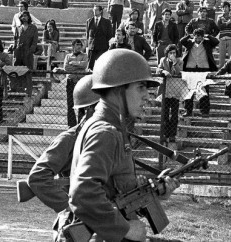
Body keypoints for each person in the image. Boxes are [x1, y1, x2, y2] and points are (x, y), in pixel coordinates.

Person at [67, 49, 179, 241]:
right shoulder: (105, 133)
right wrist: (124, 229)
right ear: (118, 90)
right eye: (140, 87)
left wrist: (155, 193)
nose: (146, 96)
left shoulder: (112, 129)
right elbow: (82, 193)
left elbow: (113, 193)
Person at [27, 74, 100, 216]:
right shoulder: (69, 139)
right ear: (89, 109)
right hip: (79, 221)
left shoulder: (108, 138)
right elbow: (37, 177)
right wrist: (68, 207)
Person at [181, 28, 219, 117]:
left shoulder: (207, 43)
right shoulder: (189, 42)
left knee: (204, 90)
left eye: (200, 37)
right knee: (189, 91)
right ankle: (188, 110)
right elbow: (181, 41)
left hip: (203, 69)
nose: (197, 39)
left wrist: (207, 35)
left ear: (202, 37)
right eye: (196, 37)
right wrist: (189, 36)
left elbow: (216, 41)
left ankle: (204, 111)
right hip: (190, 68)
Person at [157, 44, 183, 149]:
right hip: (166, 90)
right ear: (167, 53)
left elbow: (180, 72)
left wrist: (175, 63)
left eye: (174, 53)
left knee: (174, 114)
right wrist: (163, 71)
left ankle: (172, 134)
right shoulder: (163, 60)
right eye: (170, 53)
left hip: (175, 90)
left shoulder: (180, 61)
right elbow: (157, 70)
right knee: (165, 113)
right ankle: (165, 133)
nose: (172, 55)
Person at [61, 39, 88, 127]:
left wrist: (74, 63)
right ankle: (71, 125)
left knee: (81, 104)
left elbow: (84, 65)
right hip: (71, 82)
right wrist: (78, 67)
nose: (79, 46)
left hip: (81, 82)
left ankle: (81, 123)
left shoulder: (84, 55)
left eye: (80, 45)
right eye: (77, 44)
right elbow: (66, 68)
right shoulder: (68, 56)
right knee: (70, 104)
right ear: (73, 46)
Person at [216, 1, 231, 67]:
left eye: (226, 7)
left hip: (230, 38)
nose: (224, 9)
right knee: (221, 58)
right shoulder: (219, 16)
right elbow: (219, 27)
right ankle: (221, 72)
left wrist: (224, 24)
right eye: (223, 7)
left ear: (229, 8)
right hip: (222, 39)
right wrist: (227, 23)